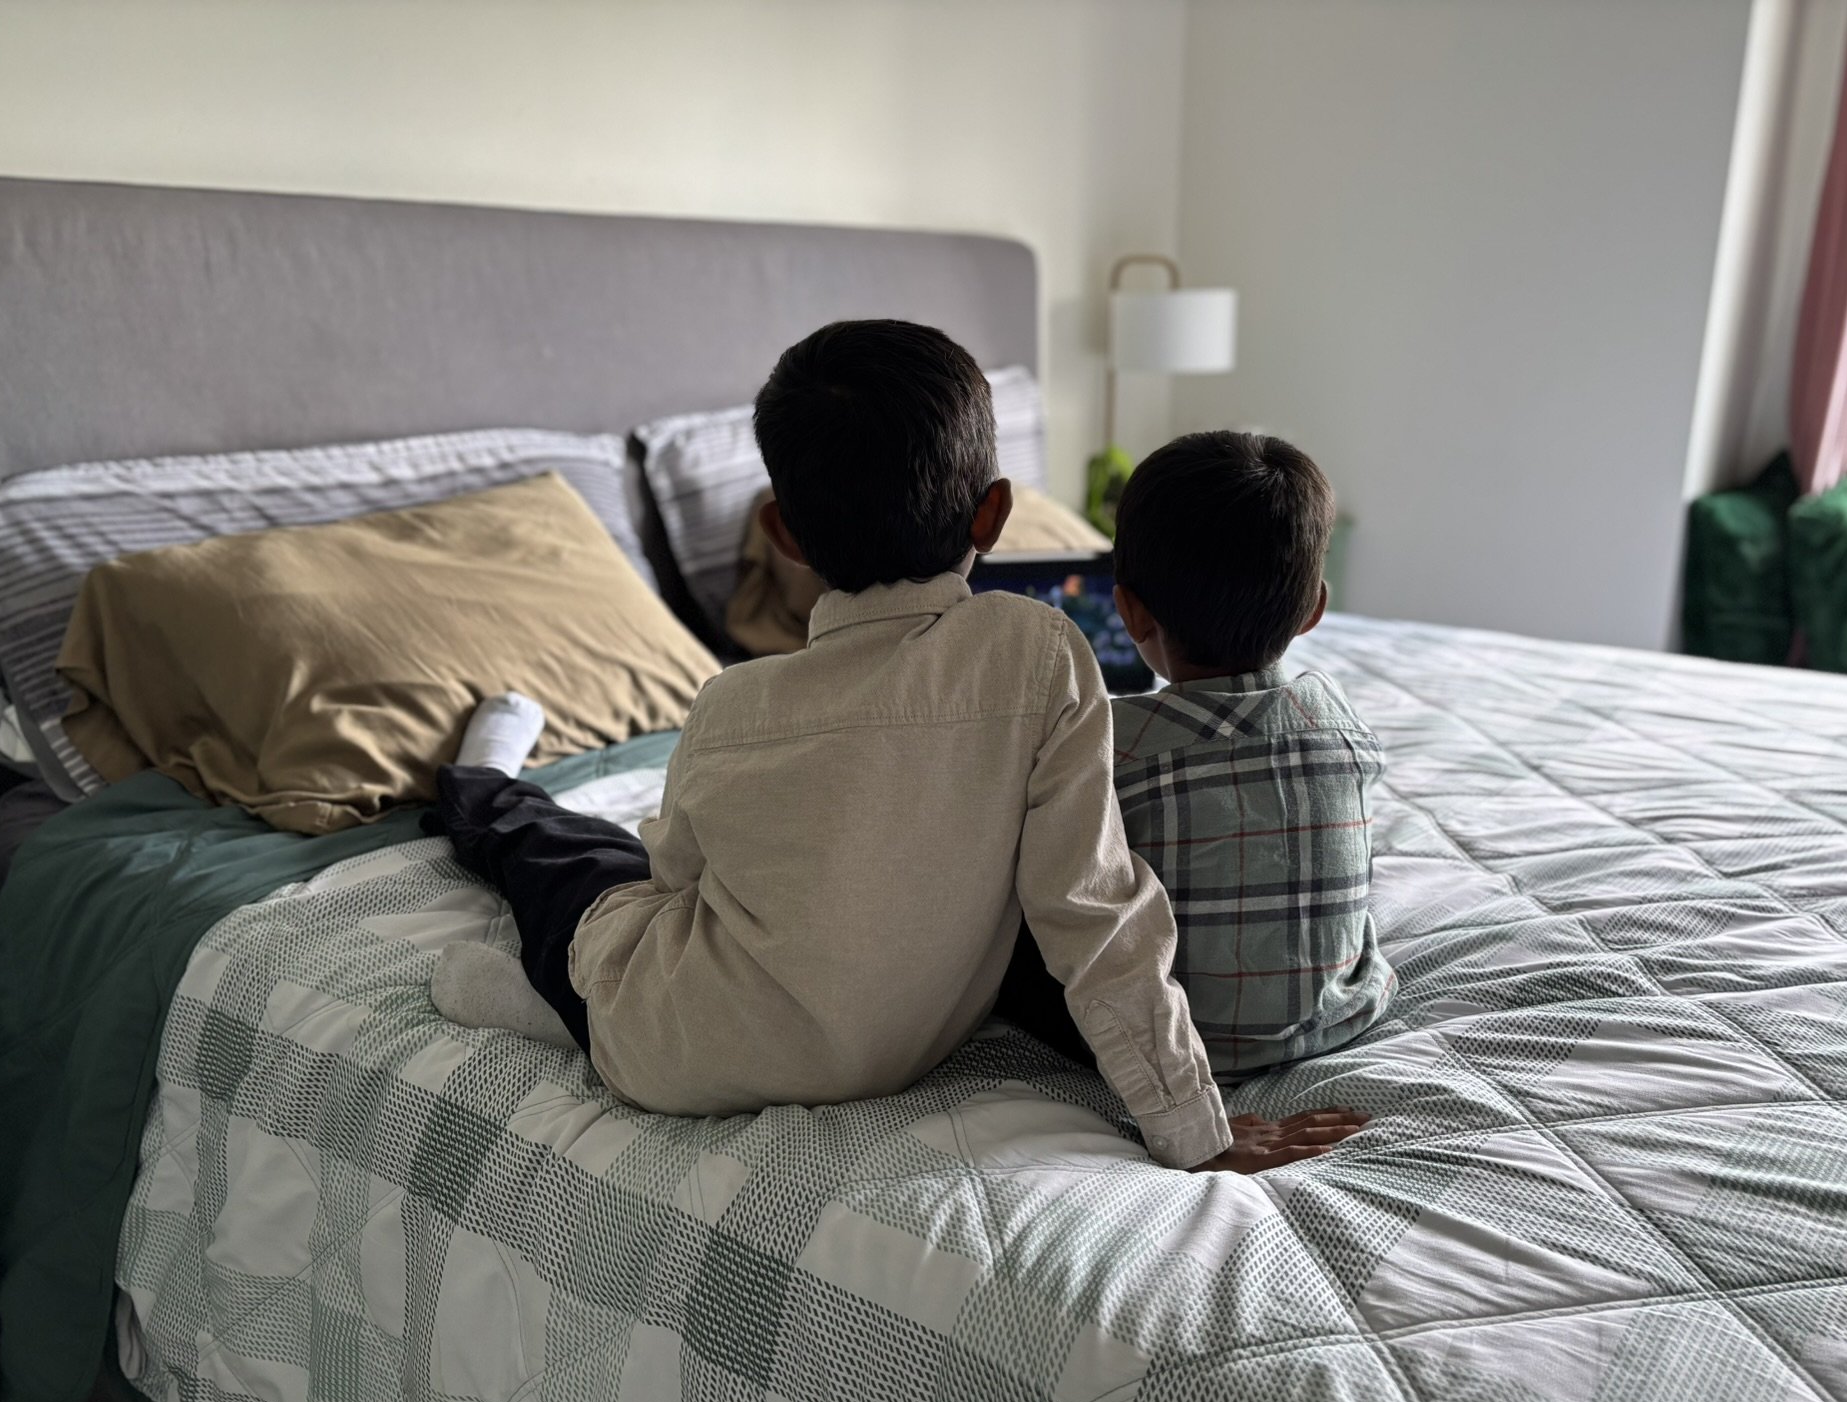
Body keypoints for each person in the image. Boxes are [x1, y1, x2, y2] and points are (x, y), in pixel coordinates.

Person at [428, 320, 1364, 1172]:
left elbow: (673, 881)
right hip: (906, 1048)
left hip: (676, 1057)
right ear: (995, 515)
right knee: (595, 869)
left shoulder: (729, 706)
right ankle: (525, 902)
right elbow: (1097, 908)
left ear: (783, 533)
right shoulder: (1040, 653)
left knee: (575, 862)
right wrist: (1194, 1129)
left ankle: (490, 809)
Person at [997, 430, 1397, 1078]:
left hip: (1173, 1043)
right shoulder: (1341, 724)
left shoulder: (1105, 744)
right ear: (1314, 611)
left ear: (1128, 612)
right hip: (1333, 1019)